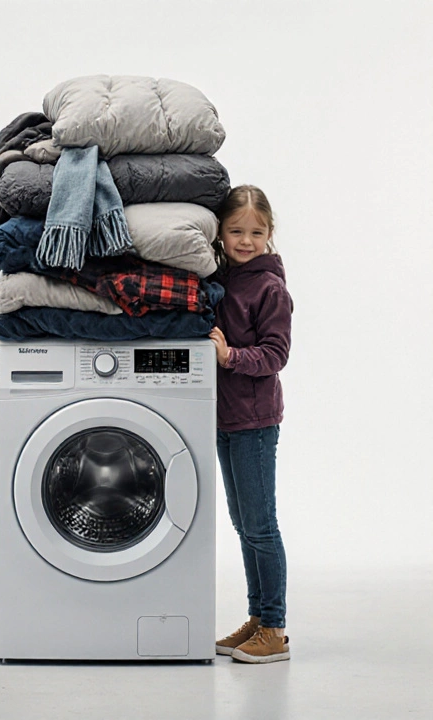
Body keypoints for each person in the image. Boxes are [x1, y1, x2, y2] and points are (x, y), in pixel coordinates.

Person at [208, 186, 293, 664]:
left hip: (255, 422)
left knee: (261, 526)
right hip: (223, 418)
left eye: (255, 232)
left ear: (269, 233)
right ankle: (258, 618)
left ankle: (276, 629)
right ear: (220, 231)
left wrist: (230, 355)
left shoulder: (270, 288)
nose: (245, 240)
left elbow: (276, 354)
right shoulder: (219, 279)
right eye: (236, 230)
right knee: (244, 526)